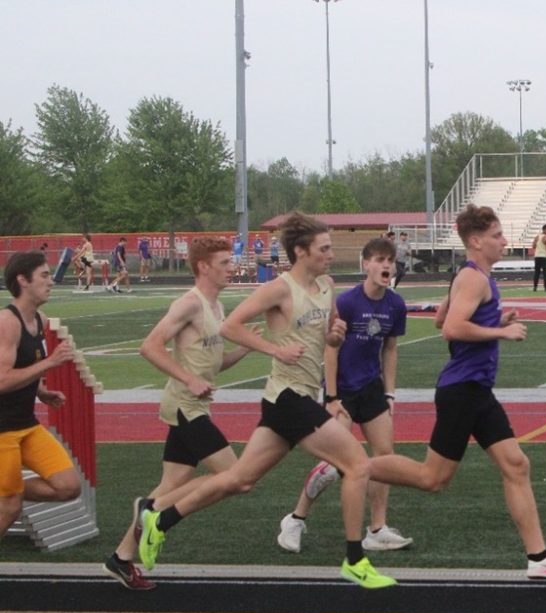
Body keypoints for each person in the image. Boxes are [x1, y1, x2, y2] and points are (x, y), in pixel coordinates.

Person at [135, 211, 395, 589]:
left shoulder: (327, 284)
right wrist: (273, 349)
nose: (330, 253)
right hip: (287, 397)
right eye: (323, 248)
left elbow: (327, 341)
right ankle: (356, 559)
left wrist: (336, 336)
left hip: (299, 395)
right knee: (358, 464)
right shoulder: (279, 288)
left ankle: (160, 520)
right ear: (301, 250)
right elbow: (231, 326)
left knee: (239, 479)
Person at [367, 204, 546, 582]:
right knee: (432, 479)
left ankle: (539, 558)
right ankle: (351, 468)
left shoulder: (473, 277)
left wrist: (493, 318)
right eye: (498, 235)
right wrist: (500, 332)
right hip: (462, 390)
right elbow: (451, 328)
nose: (504, 242)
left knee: (516, 465)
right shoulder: (473, 279)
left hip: (477, 390)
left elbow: (440, 318)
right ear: (476, 240)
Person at [102, 238, 251, 590]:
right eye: (225, 262)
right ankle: (155, 510)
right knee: (236, 477)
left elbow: (215, 364)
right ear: (203, 266)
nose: (232, 267)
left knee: (171, 484)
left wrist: (246, 348)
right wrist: (188, 378)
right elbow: (149, 347)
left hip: (193, 403)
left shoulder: (217, 307)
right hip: (186, 407)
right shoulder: (188, 304)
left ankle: (120, 558)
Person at [278, 237, 412, 554]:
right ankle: (295, 519)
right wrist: (333, 397)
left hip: (372, 389)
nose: (386, 266)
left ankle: (376, 529)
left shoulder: (396, 304)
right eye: (379, 259)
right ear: (365, 264)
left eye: (390, 261)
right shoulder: (349, 302)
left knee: (384, 455)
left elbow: (390, 350)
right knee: (332, 465)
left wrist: (390, 393)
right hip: (344, 391)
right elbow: (331, 349)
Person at [0, 252, 81, 539]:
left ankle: (5, 489)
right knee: (9, 508)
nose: (52, 282)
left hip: (26, 423)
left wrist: (42, 392)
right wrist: (49, 363)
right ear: (22, 280)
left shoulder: (40, 319)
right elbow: (2, 379)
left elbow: (26, 366)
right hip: (3, 430)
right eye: (44, 276)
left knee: (69, 486)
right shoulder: (7, 322)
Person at [531, 224, 546, 291]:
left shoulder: (537, 237)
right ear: (545, 229)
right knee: (545, 273)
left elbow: (533, 246)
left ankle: (535, 287)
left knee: (537, 272)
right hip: (544, 256)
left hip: (537, 256)